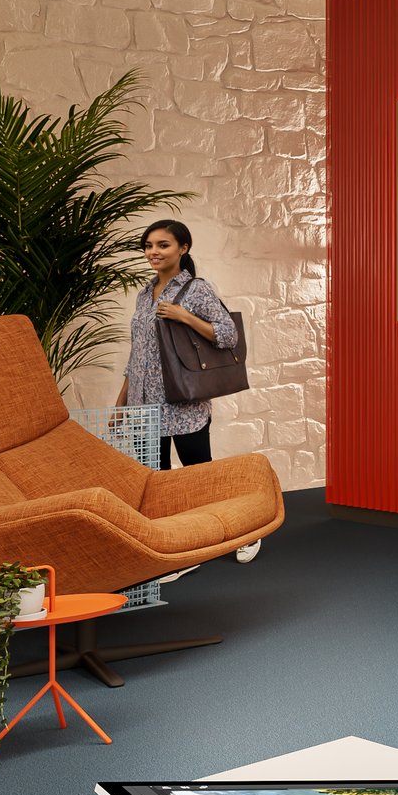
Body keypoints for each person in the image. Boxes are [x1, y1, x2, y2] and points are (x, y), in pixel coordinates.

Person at [115, 218, 257, 562]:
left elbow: (228, 336)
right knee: (156, 480)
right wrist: (122, 403)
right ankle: (177, 548)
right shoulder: (144, 293)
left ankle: (244, 533)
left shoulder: (196, 289)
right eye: (148, 246)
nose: (153, 252)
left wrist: (185, 316)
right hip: (143, 404)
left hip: (182, 403)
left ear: (183, 249)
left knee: (200, 474)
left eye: (162, 245)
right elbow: (138, 353)